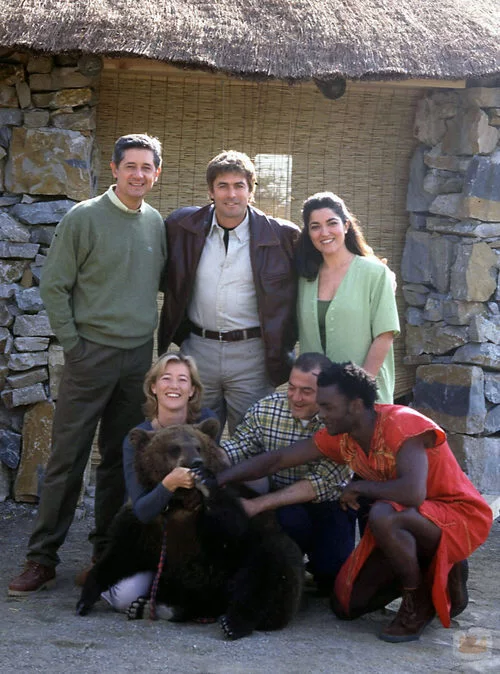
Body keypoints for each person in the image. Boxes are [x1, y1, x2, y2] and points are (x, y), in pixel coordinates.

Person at [215, 362, 492, 643]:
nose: (321, 414)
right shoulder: (343, 437)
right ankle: (438, 572)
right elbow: (278, 459)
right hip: (408, 520)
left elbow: (413, 493)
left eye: (328, 407)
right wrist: (220, 478)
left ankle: (417, 602)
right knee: (346, 606)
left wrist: (359, 486)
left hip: (458, 516)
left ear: (356, 405)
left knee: (383, 514)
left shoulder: (403, 423)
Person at [8, 134, 166, 597]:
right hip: (89, 354)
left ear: (157, 173)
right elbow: (54, 285)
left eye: (147, 167)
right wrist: (74, 346)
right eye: (130, 165)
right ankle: (42, 558)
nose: (138, 174)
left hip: (137, 358)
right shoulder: (84, 217)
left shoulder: (155, 223)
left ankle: (104, 554)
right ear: (113, 169)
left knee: (120, 460)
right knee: (67, 458)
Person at [158, 150, 300, 434]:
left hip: (253, 355)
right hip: (198, 350)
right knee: (193, 440)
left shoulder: (283, 236)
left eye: (239, 186)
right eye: (222, 186)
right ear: (211, 191)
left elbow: (316, 277)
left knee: (252, 442)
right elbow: (166, 279)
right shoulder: (181, 228)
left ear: (251, 191)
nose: (231, 194)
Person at [221, 352, 355, 594]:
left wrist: (256, 505)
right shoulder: (266, 409)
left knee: (332, 574)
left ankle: (320, 568)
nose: (295, 397)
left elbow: (320, 483)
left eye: (306, 391)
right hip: (283, 507)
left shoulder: (339, 421)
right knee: (290, 519)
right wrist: (210, 460)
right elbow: (238, 447)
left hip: (329, 504)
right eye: (292, 387)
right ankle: (284, 570)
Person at [101, 352, 218, 612]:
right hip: (150, 533)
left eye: (182, 379)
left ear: (192, 390)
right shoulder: (139, 437)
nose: (174, 386)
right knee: (124, 599)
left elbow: (218, 485)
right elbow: (141, 510)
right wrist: (169, 484)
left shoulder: (205, 427)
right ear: (153, 387)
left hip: (194, 536)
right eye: (166, 378)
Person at [295, 192, 400, 403]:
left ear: (346, 225)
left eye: (331, 223)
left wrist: (359, 390)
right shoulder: (304, 278)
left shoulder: (375, 273)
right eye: (315, 226)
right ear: (309, 233)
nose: (324, 232)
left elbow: (385, 335)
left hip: (364, 398)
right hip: (317, 397)